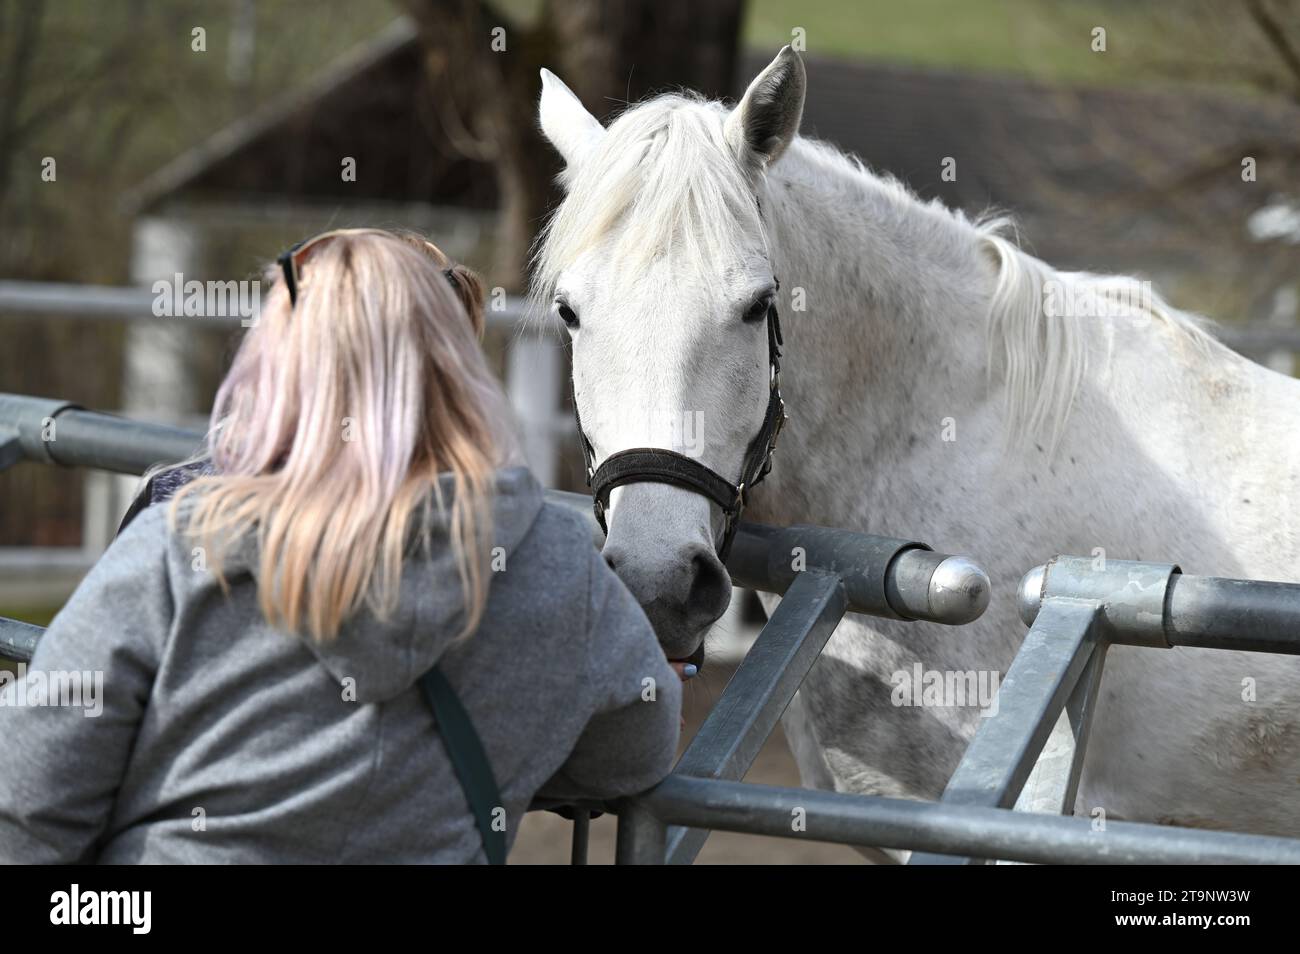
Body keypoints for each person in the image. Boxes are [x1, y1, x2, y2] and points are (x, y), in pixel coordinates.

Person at [0, 228, 681, 863]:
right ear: (457, 367)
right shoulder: (562, 573)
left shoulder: (184, 545)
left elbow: (25, 807)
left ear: (280, 371)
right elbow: (636, 748)